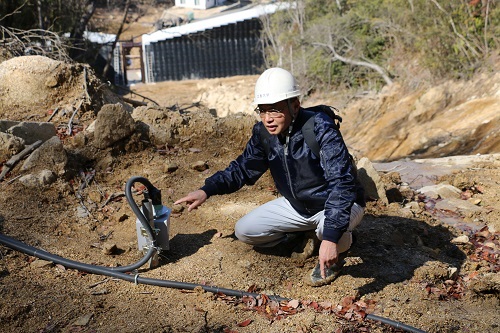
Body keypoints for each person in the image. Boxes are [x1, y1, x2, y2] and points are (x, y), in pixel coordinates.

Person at [175, 67, 365, 286]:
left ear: (295, 105)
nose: (268, 119)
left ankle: (341, 246)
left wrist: (331, 238)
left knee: (330, 232)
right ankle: (308, 235)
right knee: (245, 231)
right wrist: (206, 190)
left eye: (275, 110)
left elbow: (341, 184)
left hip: (338, 204)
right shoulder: (264, 134)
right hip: (298, 206)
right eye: (262, 111)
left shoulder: (321, 127)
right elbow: (243, 168)